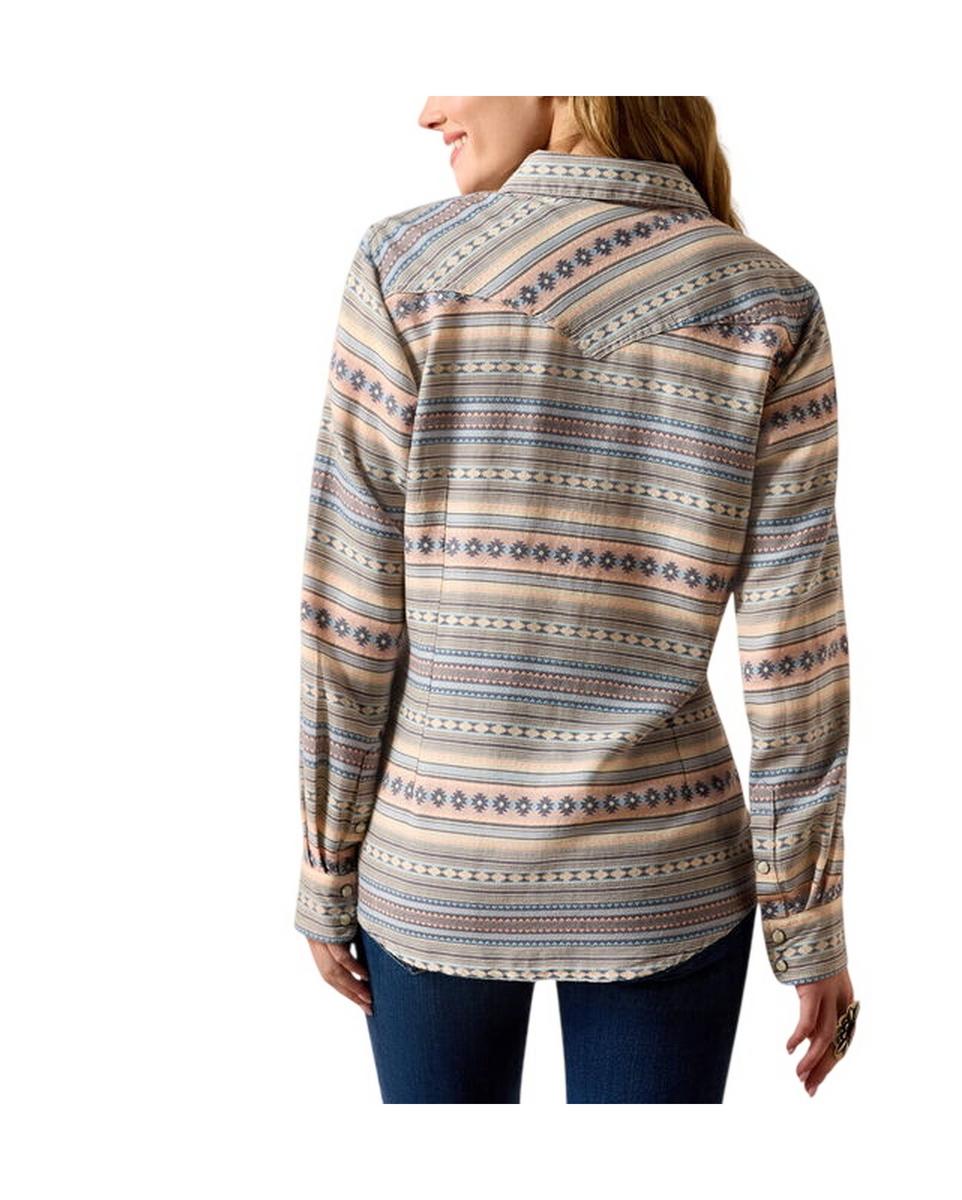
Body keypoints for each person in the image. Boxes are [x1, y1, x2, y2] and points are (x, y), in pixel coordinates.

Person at [294, 96, 860, 1103]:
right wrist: (808, 923)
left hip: (438, 864)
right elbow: (796, 653)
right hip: (666, 878)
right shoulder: (768, 300)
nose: (428, 109)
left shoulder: (403, 268)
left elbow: (349, 610)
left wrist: (325, 866)